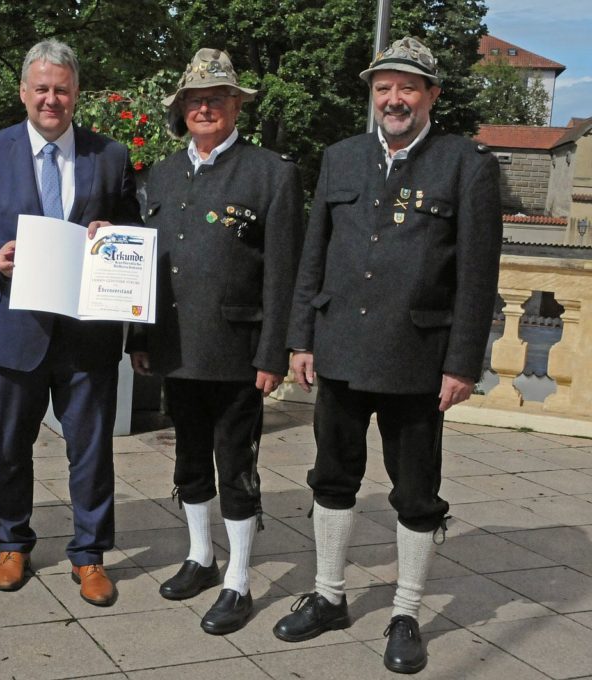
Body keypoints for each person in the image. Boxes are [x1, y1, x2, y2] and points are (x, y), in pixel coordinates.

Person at [273, 36, 503, 673]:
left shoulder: (466, 165)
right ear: (372, 96)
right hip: (341, 350)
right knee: (332, 479)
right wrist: (300, 338)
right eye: (383, 88)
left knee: (416, 493)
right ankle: (328, 596)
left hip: (417, 360)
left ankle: (405, 610)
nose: (393, 98)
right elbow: (311, 256)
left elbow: (478, 277)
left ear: (431, 95)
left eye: (407, 87)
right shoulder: (341, 159)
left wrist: (462, 363)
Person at [121, 48, 303, 635]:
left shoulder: (271, 173)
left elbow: (284, 273)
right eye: (195, 101)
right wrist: (140, 338)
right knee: (189, 459)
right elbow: (150, 263)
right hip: (175, 345)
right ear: (182, 111)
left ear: (235, 108)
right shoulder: (164, 173)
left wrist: (273, 351)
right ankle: (201, 558)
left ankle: (239, 579)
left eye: (216, 99)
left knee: (236, 465)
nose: (205, 108)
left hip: (236, 350)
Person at [0, 39, 140, 606]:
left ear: (76, 93)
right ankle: (12, 542)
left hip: (87, 333)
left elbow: (134, 228)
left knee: (90, 448)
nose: (51, 99)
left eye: (61, 89)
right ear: (23, 92)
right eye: (42, 89)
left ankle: (89, 554)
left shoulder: (108, 155)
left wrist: (113, 234)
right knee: (10, 445)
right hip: (14, 328)